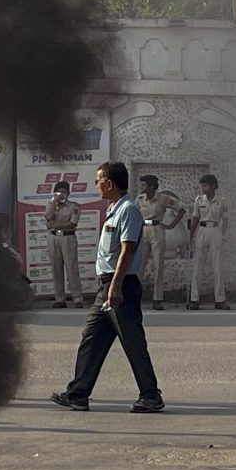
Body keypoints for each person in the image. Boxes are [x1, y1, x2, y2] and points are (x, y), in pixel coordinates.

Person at [49, 160, 164, 412]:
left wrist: (116, 286)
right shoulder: (115, 208)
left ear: (109, 183)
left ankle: (151, 396)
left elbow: (127, 249)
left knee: (132, 340)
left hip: (120, 285)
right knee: (91, 339)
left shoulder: (128, 210)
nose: (96, 185)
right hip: (108, 285)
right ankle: (78, 394)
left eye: (99, 180)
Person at [137, 175, 186, 305]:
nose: (141, 188)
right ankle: (135, 296)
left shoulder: (163, 198)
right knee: (139, 265)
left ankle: (157, 299)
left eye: (144, 185)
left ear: (152, 186)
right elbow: (135, 214)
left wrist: (171, 225)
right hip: (144, 229)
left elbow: (181, 210)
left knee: (158, 265)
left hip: (157, 229)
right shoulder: (140, 199)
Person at [187, 173, 232, 309]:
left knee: (218, 267)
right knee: (198, 266)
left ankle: (220, 299)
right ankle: (194, 299)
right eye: (202, 186)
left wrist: (222, 235)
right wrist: (190, 236)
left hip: (215, 230)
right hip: (202, 230)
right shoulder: (199, 200)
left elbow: (225, 219)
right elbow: (195, 218)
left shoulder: (221, 200)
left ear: (213, 186)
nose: (203, 188)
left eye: (206, 185)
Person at [43, 175, 82, 308]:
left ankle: (77, 298)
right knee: (56, 268)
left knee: (72, 268)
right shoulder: (51, 205)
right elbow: (48, 217)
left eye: (64, 192)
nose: (61, 194)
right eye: (59, 192)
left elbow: (72, 224)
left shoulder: (74, 206)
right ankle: (59, 298)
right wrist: (54, 201)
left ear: (68, 193)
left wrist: (55, 225)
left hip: (68, 238)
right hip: (53, 238)